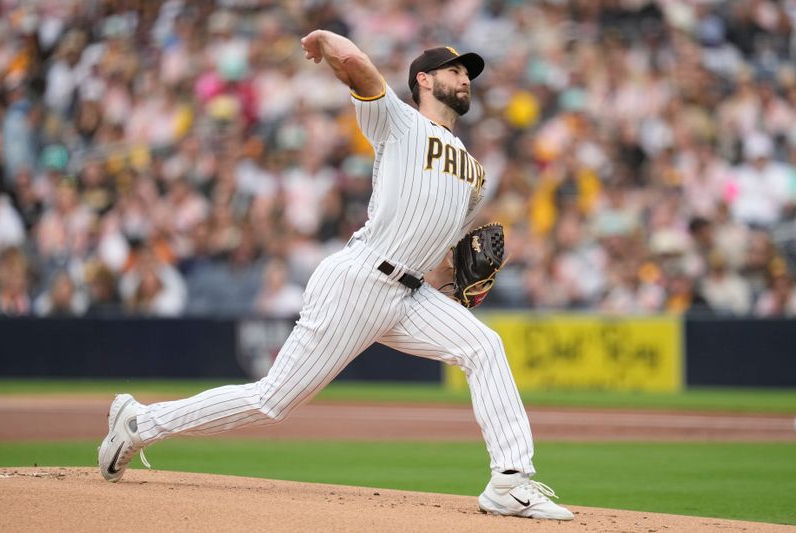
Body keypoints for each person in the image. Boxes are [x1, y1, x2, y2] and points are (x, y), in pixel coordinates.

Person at [97, 29, 573, 521]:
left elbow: (442, 252)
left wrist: (455, 278)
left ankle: (510, 482)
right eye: (455, 70)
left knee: (484, 347)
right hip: (360, 280)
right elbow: (360, 71)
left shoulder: (476, 172)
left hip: (411, 294)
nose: (465, 78)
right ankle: (140, 422)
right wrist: (328, 39)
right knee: (272, 401)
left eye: (468, 73)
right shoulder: (399, 122)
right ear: (424, 80)